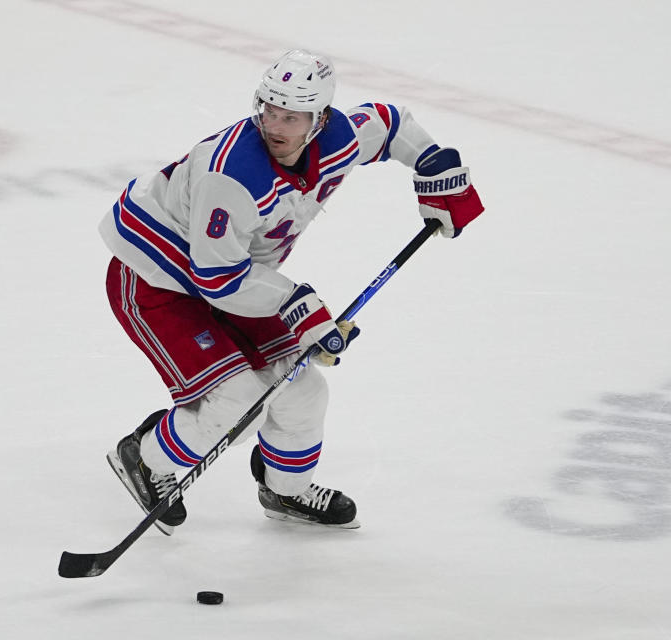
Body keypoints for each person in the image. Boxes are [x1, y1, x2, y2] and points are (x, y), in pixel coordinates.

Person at [97, 49, 484, 532]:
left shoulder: (338, 137)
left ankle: (286, 491)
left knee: (302, 390)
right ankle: (145, 459)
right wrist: (296, 305)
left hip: (238, 276)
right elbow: (215, 279)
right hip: (157, 279)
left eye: (293, 116)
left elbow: (389, 125)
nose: (276, 126)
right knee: (235, 400)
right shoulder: (232, 174)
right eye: (270, 111)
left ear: (319, 119)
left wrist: (432, 163)